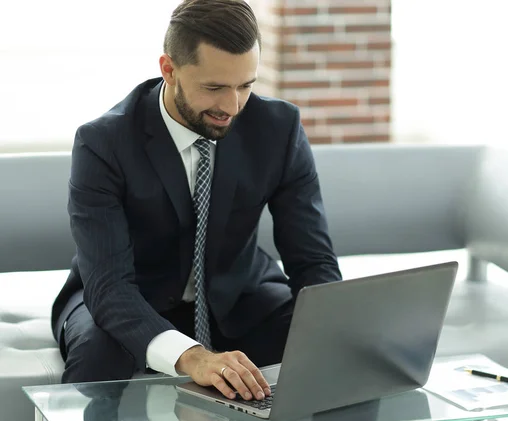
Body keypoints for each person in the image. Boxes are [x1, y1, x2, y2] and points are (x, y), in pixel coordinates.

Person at [50, 0, 342, 403]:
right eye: (214, 87)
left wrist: (339, 334)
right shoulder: (104, 143)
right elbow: (110, 287)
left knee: (336, 348)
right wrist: (193, 356)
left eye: (245, 85)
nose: (233, 106)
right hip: (125, 298)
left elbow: (313, 262)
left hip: (239, 296)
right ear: (169, 69)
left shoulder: (278, 129)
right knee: (99, 355)